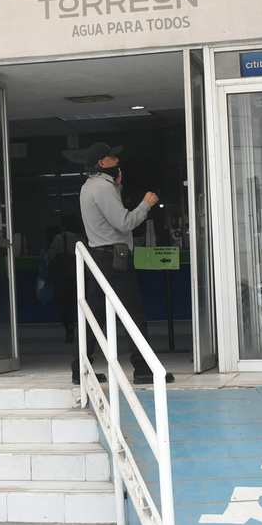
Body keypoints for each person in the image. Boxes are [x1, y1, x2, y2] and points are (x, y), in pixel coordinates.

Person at [75, 142, 174, 386]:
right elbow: (124, 222)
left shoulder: (89, 186)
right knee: (133, 313)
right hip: (115, 258)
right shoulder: (104, 188)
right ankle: (143, 368)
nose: (117, 160)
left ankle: (80, 369)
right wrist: (146, 204)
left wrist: (117, 187)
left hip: (98, 257)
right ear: (102, 163)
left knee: (94, 315)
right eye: (112, 157)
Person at [47, 215, 83, 343]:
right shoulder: (80, 239)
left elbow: (51, 255)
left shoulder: (60, 237)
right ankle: (72, 325)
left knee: (62, 303)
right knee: (73, 302)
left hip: (61, 276)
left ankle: (67, 324)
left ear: (64, 225)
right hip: (76, 275)